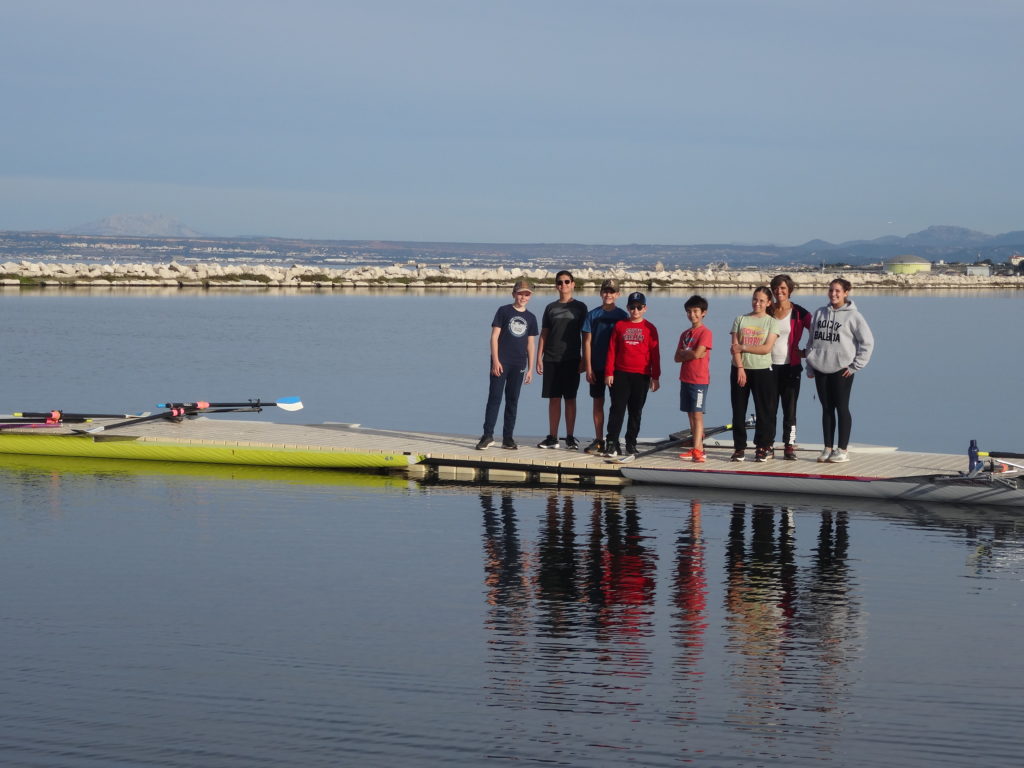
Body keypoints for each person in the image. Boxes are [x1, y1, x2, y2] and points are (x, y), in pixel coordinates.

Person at [804, 278, 874, 463]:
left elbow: (867, 342)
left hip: (842, 370)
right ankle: (828, 447)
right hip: (820, 368)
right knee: (826, 409)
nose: (833, 294)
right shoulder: (819, 313)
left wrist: (855, 366)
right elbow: (811, 342)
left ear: (846, 292)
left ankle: (842, 449)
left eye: (837, 291)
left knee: (841, 408)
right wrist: (810, 365)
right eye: (831, 290)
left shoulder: (854, 316)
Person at [476, 278, 539, 451]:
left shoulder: (531, 318)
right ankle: (487, 435)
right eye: (520, 293)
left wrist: (530, 369)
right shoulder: (503, 311)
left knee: (513, 400)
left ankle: (508, 438)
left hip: (519, 364)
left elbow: (530, 344)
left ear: (530, 297)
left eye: (527, 294)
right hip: (501, 362)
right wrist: (495, 360)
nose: (523, 297)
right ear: (514, 294)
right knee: (494, 398)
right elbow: (494, 337)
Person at [604, 291, 660, 459]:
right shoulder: (620, 325)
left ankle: (631, 443)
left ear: (645, 308)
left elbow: (655, 354)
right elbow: (612, 350)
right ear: (627, 308)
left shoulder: (650, 328)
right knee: (617, 409)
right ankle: (612, 443)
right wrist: (608, 372)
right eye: (632, 307)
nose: (635, 310)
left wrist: (655, 376)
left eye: (639, 307)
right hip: (621, 374)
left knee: (636, 411)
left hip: (641, 375)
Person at [536, 270, 588, 449]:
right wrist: (538, 358)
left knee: (571, 398)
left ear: (573, 284)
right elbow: (544, 333)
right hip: (551, 358)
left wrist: (585, 360)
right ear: (556, 285)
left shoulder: (580, 307)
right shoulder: (550, 307)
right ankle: (552, 437)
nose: (563, 285)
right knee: (554, 398)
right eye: (560, 282)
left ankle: (570, 437)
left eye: (567, 282)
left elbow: (586, 335)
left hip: (572, 358)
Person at [729, 287, 781, 462]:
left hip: (763, 371)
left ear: (768, 303)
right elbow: (734, 347)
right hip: (740, 369)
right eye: (754, 299)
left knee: (764, 411)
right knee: (738, 410)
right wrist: (741, 368)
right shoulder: (740, 319)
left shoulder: (771, 322)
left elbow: (766, 348)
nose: (757, 303)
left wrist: (744, 347)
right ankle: (739, 448)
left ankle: (762, 447)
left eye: (761, 300)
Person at [581, 278, 628, 454]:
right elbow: (586, 342)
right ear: (601, 293)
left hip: (617, 368)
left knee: (617, 405)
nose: (608, 294)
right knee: (597, 402)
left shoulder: (623, 316)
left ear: (618, 294)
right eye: (605, 291)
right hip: (597, 366)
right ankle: (599, 439)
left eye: (612, 292)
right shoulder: (592, 315)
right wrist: (588, 367)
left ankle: (613, 440)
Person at [768, 274, 813, 460]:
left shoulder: (801, 313)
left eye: (783, 288)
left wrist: (806, 352)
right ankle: (767, 445)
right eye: (776, 288)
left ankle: (789, 446)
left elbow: (818, 333)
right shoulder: (767, 310)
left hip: (791, 368)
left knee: (790, 410)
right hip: (768, 367)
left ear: (790, 290)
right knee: (768, 409)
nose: (779, 292)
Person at [674, 295, 712, 463]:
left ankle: (698, 450)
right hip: (685, 377)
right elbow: (677, 357)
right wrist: (690, 354)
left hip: (699, 379)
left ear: (704, 313)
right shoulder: (685, 334)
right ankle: (697, 445)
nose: (692, 315)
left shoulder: (705, 332)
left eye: (696, 311)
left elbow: (699, 353)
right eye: (689, 312)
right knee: (690, 413)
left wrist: (687, 354)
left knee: (697, 415)